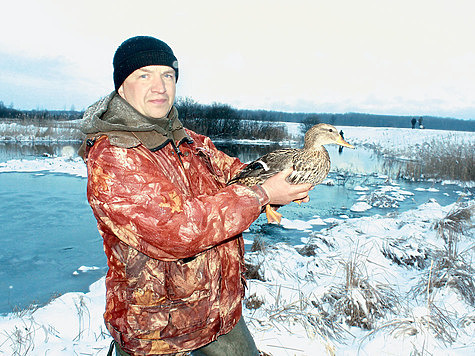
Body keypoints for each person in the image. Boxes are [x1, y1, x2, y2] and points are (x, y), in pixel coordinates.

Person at [79, 36, 312, 356]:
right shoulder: (114, 155)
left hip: (217, 312)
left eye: (168, 75)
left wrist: (284, 182)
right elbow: (177, 230)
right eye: (144, 75)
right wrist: (262, 195)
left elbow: (235, 173)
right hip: (157, 329)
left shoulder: (187, 141)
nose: (160, 86)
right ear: (122, 87)